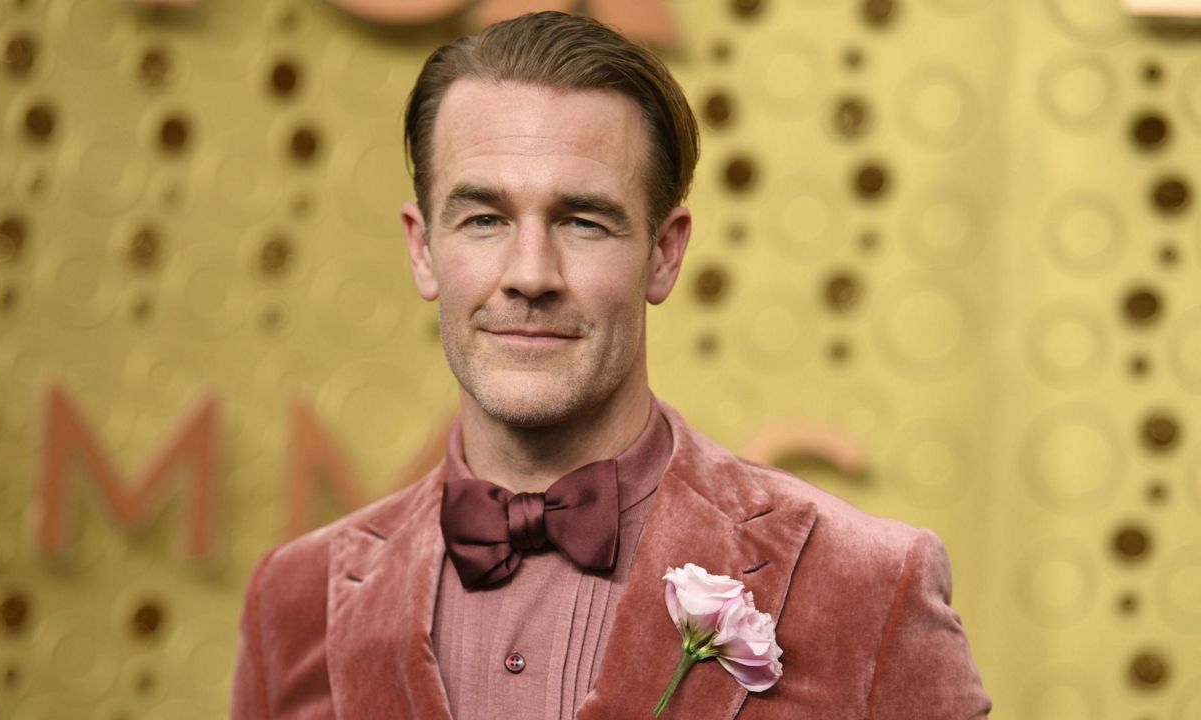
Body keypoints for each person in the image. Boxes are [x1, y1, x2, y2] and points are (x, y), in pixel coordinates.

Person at [231, 11, 991, 719]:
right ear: (423, 248)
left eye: (582, 221)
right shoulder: (292, 601)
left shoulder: (870, 588)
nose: (530, 273)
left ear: (664, 254)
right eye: (484, 219)